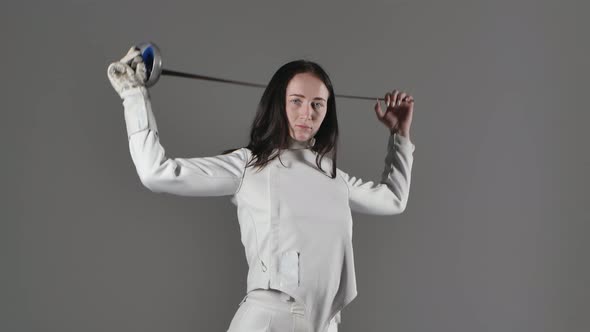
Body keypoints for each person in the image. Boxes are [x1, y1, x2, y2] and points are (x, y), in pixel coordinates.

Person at [107, 46, 416, 332]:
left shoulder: (335, 178)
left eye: (317, 104)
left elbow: (392, 200)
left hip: (323, 325)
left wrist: (400, 135)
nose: (307, 113)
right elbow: (156, 172)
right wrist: (133, 94)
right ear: (279, 102)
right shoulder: (249, 165)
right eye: (296, 101)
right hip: (269, 319)